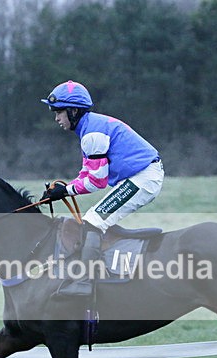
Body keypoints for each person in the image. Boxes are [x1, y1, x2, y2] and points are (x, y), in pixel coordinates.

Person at [40, 80, 164, 296]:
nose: (56, 118)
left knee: (93, 221)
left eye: (59, 112)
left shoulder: (92, 135)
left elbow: (97, 182)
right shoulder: (89, 128)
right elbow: (86, 173)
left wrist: (66, 191)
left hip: (144, 177)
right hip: (141, 175)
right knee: (93, 219)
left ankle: (84, 283)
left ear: (74, 110)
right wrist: (62, 189)